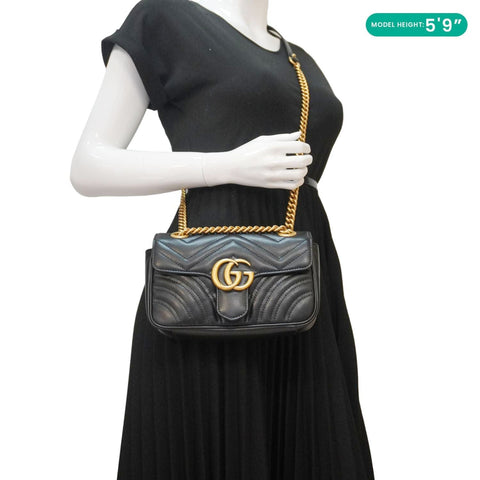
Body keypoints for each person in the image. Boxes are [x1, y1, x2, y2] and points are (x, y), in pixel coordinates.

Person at [70, 0, 376, 478]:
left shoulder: (301, 58)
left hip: (302, 273)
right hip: (211, 284)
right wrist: (225, 165)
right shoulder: (164, 18)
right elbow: (88, 166)